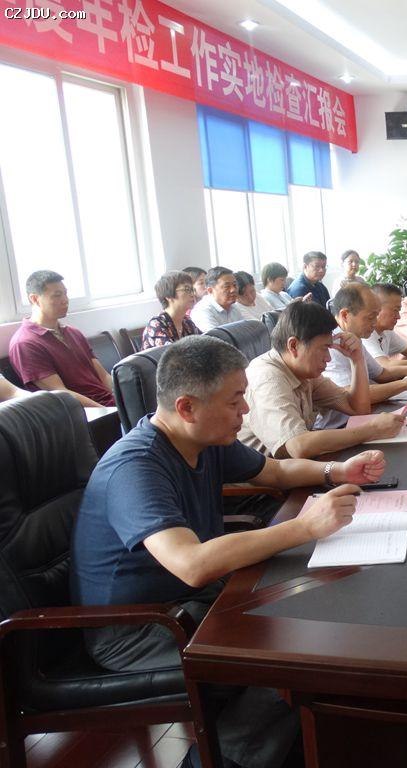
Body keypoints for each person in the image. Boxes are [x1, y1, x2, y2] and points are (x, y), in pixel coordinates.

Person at [71, 334, 386, 768]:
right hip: (139, 630)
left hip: (188, 602)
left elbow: (274, 471)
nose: (246, 411)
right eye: (236, 400)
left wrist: (336, 470)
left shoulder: (202, 439)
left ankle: (295, 746)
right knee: (290, 662)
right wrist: (303, 527)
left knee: (312, 615)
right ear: (187, 407)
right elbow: (191, 563)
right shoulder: (136, 467)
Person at [237, 301, 405, 459]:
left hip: (296, 468)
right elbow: (298, 446)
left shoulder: (305, 373)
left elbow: (358, 408)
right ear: (293, 346)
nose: (328, 358)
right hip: (265, 478)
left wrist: (357, 359)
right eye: (324, 349)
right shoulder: (267, 378)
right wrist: (373, 429)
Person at [8, 270, 115, 407]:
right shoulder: (25, 344)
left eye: (65, 293)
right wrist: (109, 411)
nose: (65, 300)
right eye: (57, 295)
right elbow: (61, 394)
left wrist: (126, 397)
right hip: (87, 413)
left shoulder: (73, 333)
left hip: (111, 403)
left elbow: (103, 376)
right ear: (34, 299)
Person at [324, 283, 407, 404]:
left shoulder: (353, 337)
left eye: (376, 316)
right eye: (370, 317)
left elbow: (381, 374)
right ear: (345, 315)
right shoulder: (331, 345)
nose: (375, 322)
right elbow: (353, 396)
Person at [141, 271, 201, 350]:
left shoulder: (187, 322)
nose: (193, 294)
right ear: (168, 296)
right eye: (187, 289)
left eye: (192, 290)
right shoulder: (156, 325)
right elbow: (172, 355)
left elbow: (204, 343)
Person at [191, 267, 247, 332]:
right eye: (227, 286)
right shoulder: (202, 311)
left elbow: (245, 332)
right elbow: (215, 337)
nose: (233, 290)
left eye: (235, 285)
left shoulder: (234, 307)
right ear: (210, 290)